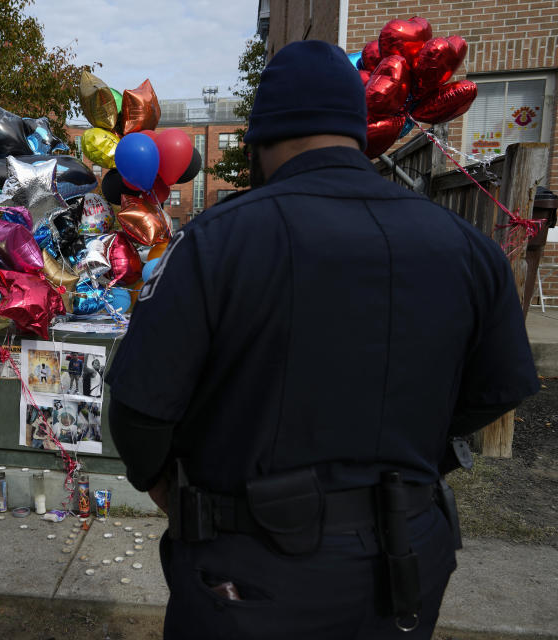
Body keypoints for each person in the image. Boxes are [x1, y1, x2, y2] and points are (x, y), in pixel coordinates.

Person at [105, 41, 539, 639]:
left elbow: (139, 406)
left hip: (253, 566)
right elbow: (497, 389)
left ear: (260, 140)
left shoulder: (217, 242)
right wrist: (411, 455)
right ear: (358, 133)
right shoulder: (465, 245)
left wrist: (162, 482)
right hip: (406, 558)